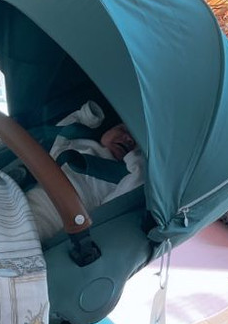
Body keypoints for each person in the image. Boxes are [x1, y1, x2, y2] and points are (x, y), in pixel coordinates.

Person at [23, 103, 145, 241]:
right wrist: (89, 116)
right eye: (123, 129)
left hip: (54, 221)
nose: (128, 138)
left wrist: (137, 155)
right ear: (109, 128)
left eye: (136, 141)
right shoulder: (78, 140)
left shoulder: (122, 177)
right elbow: (67, 128)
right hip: (30, 199)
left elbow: (137, 181)